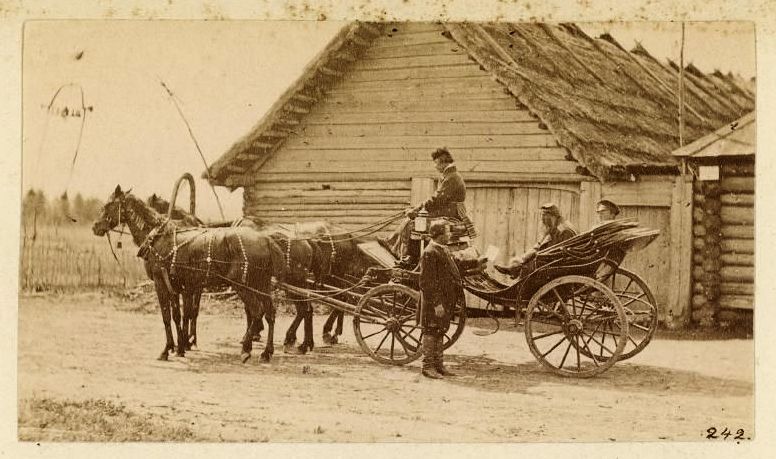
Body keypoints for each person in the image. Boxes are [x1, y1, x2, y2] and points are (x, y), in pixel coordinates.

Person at [381, 148, 475, 267]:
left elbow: (436, 200)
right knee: (415, 219)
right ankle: (396, 245)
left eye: (436, 163)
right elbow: (436, 199)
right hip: (451, 212)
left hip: (450, 214)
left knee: (412, 223)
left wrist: (416, 210)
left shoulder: (451, 177)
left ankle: (408, 256)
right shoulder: (452, 175)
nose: (435, 167)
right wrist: (416, 208)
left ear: (442, 162)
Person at [418, 220, 463, 379]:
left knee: (440, 330)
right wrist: (437, 304)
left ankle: (439, 365)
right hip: (433, 302)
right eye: (447, 232)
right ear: (439, 234)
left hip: (444, 299)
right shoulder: (429, 252)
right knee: (431, 331)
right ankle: (428, 367)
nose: (450, 234)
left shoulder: (442, 250)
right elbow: (426, 282)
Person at [494, 203, 577, 278]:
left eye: (544, 215)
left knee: (529, 266)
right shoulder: (556, 226)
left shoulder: (563, 230)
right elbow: (540, 246)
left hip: (559, 266)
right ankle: (515, 267)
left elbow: (562, 254)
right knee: (531, 257)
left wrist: (538, 256)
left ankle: (516, 272)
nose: (542, 219)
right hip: (552, 261)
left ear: (552, 216)